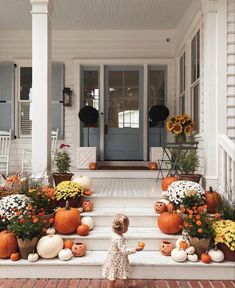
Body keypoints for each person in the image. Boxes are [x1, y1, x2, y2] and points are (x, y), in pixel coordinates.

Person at [102, 214, 144, 288]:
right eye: (127, 227)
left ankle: (127, 284)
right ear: (122, 228)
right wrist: (135, 249)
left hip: (114, 258)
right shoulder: (118, 239)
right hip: (116, 261)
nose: (128, 228)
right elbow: (124, 251)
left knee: (124, 273)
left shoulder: (114, 234)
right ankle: (110, 286)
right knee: (113, 277)